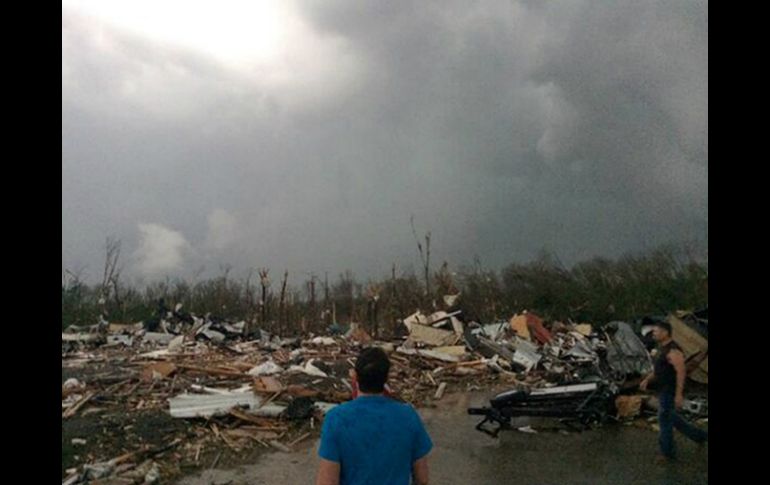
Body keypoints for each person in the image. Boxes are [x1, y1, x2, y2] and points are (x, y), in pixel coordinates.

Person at [316, 347, 432, 485]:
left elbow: (327, 482)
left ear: (356, 377)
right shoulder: (408, 416)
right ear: (386, 378)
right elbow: (422, 479)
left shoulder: (336, 419)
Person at [639, 320, 707, 461]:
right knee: (671, 418)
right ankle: (699, 436)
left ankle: (667, 453)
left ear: (665, 333)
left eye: (656, 331)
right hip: (662, 389)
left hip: (670, 390)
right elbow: (659, 369)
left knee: (664, 421)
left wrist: (678, 394)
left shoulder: (673, 351)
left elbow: (681, 372)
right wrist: (647, 380)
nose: (654, 334)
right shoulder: (662, 349)